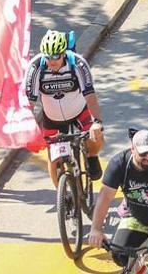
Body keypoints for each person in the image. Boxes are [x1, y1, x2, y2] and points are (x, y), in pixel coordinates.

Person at [88, 129, 148, 272]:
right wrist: (96, 229)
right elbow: (105, 197)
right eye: (143, 154)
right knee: (120, 254)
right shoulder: (119, 164)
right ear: (132, 149)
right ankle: (143, 271)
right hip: (136, 216)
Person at [22, 28, 105, 185]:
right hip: (52, 117)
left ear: (64, 53)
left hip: (79, 111)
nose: (52, 61)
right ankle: (62, 197)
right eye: (48, 57)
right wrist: (27, 127)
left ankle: (92, 156)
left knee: (97, 135)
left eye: (56, 56)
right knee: (54, 159)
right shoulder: (35, 67)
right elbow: (30, 102)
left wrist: (97, 121)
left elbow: (90, 95)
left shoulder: (78, 63)